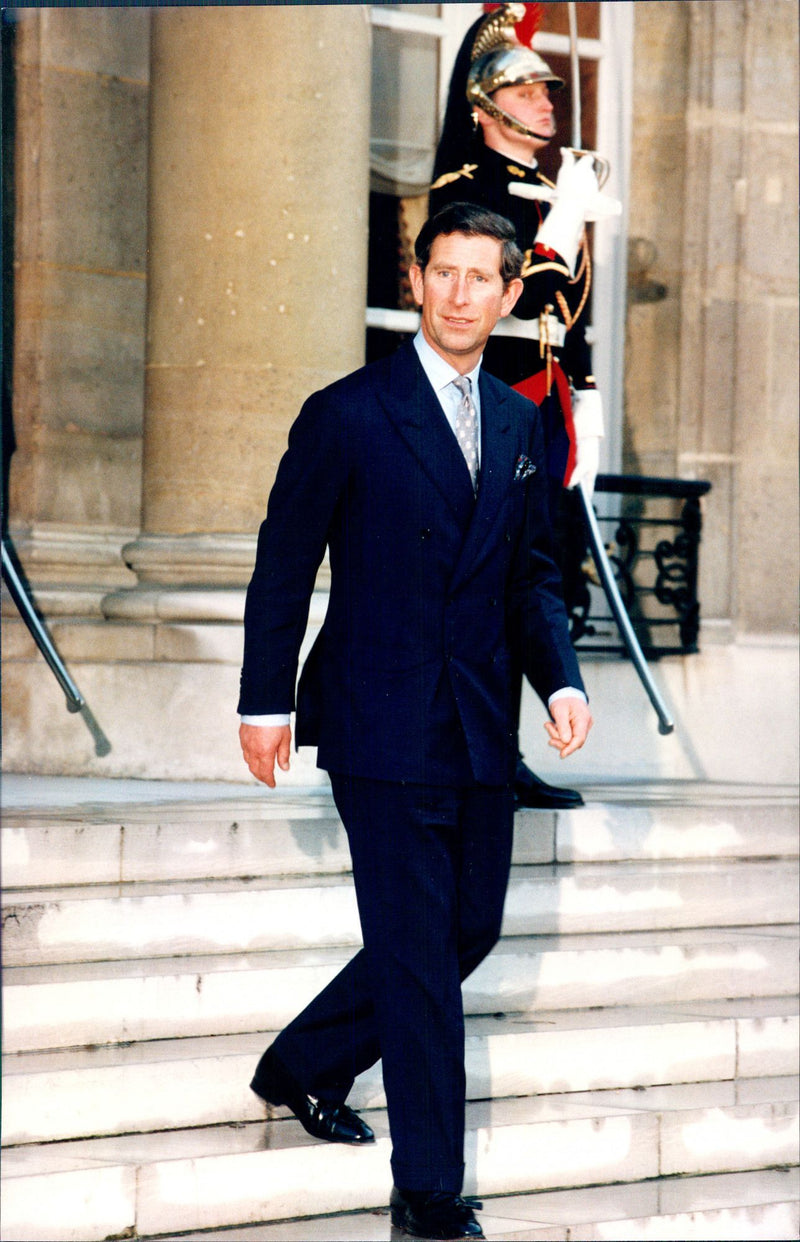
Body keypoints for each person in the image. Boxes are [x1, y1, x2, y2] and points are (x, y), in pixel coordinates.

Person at [238, 201, 592, 1241]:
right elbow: (283, 566)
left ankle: (300, 1061)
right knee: (417, 963)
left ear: (506, 294)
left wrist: (559, 682)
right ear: (417, 278)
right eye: (442, 272)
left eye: (480, 277)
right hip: (378, 721)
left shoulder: (522, 423)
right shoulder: (347, 411)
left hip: (480, 726)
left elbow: (530, 577)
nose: (457, 294)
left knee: (464, 930)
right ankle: (428, 1197)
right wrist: (264, 700)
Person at [430, 2, 606, 812]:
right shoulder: (470, 188)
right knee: (489, 580)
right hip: (489, 397)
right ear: (485, 106)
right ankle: (484, 750)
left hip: (546, 404)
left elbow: (571, 309)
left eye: (547, 92)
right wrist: (564, 220)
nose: (546, 104)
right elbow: (515, 290)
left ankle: (512, 751)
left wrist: (590, 395)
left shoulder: (548, 186)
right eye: (528, 92)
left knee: (544, 573)